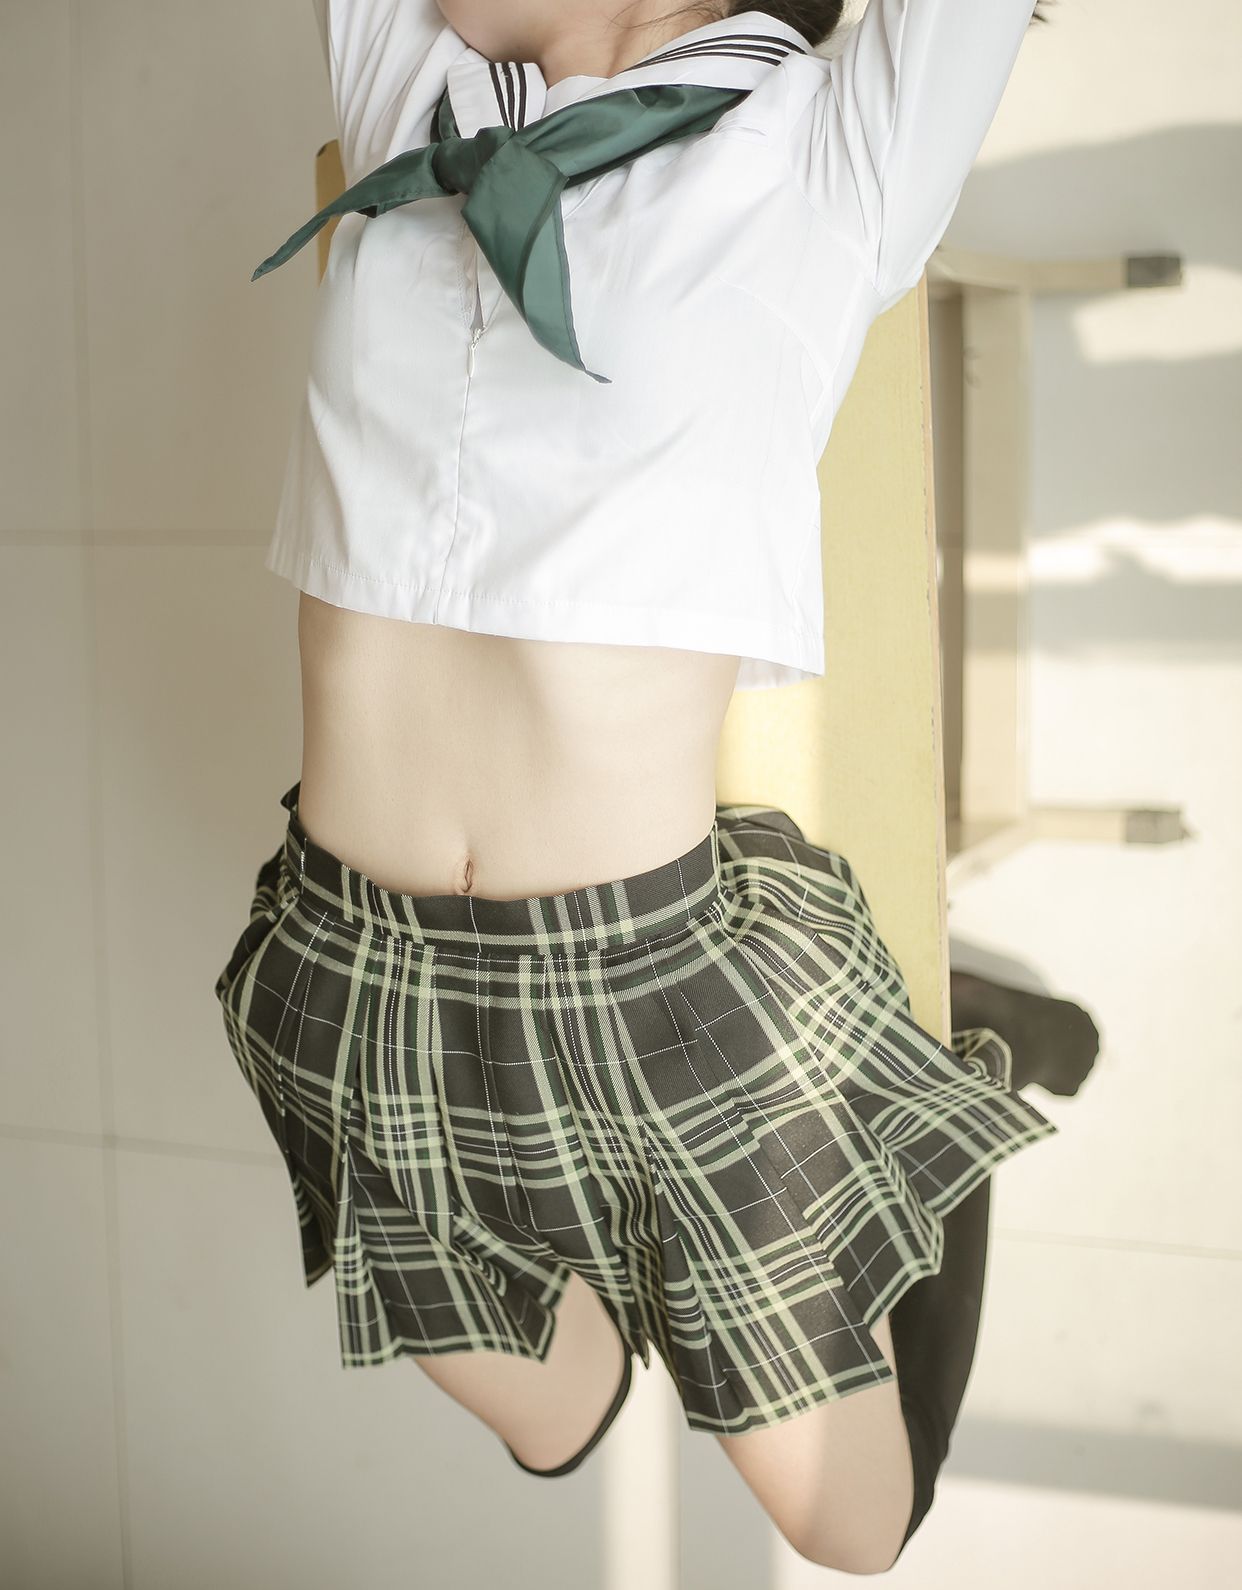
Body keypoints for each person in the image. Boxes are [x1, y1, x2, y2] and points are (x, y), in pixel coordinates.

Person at [216, 0, 1064, 1573]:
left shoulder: (827, 150)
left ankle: (945, 1075)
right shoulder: (417, 87)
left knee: (850, 1527)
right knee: (554, 1417)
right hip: (342, 973)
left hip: (646, 990)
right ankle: (856, 1094)